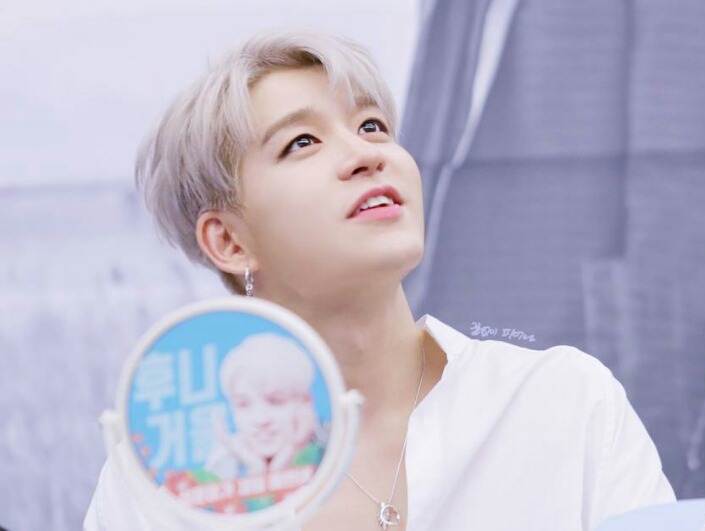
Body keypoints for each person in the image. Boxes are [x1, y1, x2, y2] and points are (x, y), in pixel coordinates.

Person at [85, 31, 675, 530]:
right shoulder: (167, 483)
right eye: (302, 142)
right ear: (230, 242)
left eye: (372, 126)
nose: (367, 155)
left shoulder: (564, 401)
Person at [205, 333, 322, 481]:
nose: (260, 419)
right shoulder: (223, 464)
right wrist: (256, 469)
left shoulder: (329, 451)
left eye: (276, 402)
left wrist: (289, 452)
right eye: (243, 404)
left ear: (305, 402)